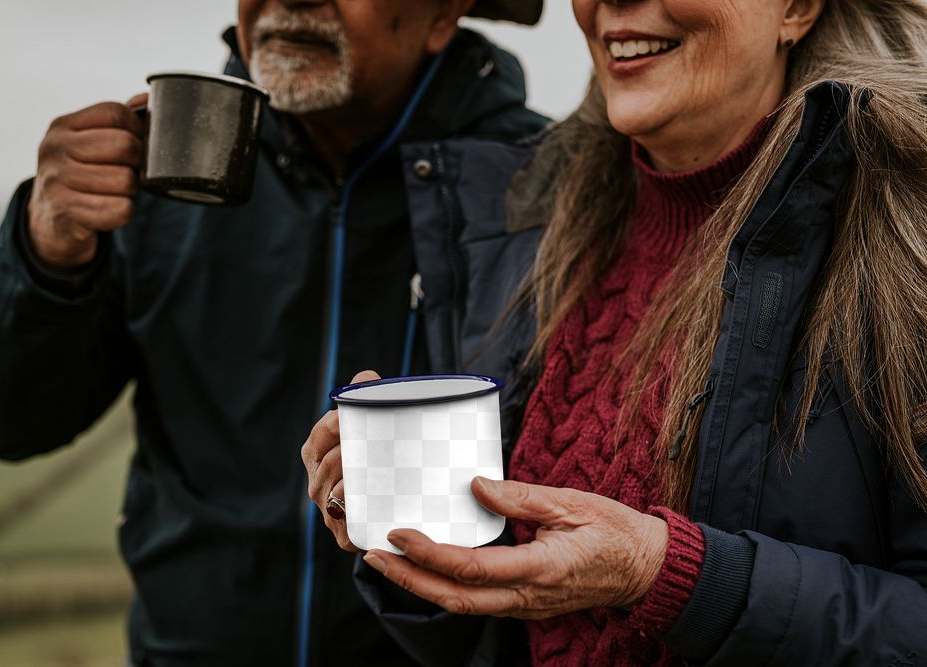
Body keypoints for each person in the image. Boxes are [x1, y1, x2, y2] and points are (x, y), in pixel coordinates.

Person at [303, 0, 927, 664]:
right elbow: (512, 628)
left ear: (797, 9)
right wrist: (420, 528)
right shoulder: (528, 223)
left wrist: (673, 577)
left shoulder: (904, 233)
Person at [0, 1, 549, 665]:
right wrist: (45, 252)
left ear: (442, 13)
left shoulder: (550, 191)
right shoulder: (157, 173)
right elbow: (11, 421)